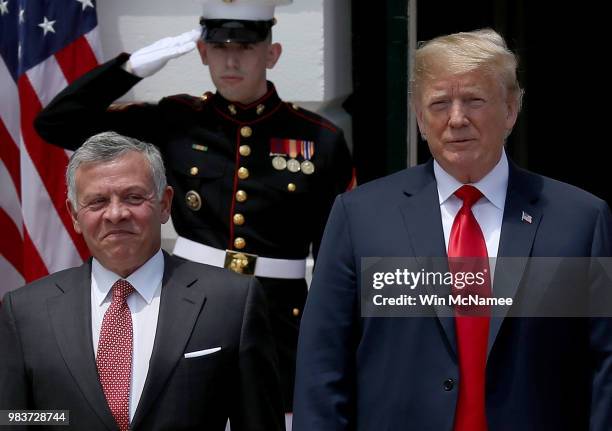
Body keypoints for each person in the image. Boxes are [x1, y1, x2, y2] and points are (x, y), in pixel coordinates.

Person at [33, 0, 353, 415]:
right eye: (219, 48)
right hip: (188, 306)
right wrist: (130, 69)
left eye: (247, 47)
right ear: (203, 53)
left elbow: (335, 257)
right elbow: (55, 124)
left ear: (271, 54)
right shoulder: (176, 120)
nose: (232, 59)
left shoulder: (319, 139)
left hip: (278, 318)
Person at [293, 28, 612, 430]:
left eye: (474, 100)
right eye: (440, 103)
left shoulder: (579, 220)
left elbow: (605, 368)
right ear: (420, 118)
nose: (456, 119)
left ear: (511, 109)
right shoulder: (360, 217)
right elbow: (322, 368)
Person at [0, 132, 284, 431]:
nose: (116, 213)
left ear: (164, 204)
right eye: (97, 202)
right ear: (73, 215)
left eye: (133, 197)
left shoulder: (231, 300)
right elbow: (14, 419)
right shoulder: (26, 311)